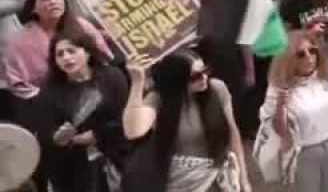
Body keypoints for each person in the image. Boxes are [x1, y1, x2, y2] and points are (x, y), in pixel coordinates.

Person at [122, 50, 251, 192]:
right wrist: (137, 83)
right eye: (195, 76)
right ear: (177, 79)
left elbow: (232, 132)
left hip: (217, 178)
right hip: (179, 182)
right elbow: (132, 131)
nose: (204, 78)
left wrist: (243, 179)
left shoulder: (217, 89)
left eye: (205, 71)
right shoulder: (160, 99)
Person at [259, 31, 328, 192]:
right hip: (304, 151)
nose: (309, 57)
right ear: (289, 59)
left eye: (312, 51)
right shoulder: (280, 86)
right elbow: (279, 130)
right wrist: (281, 103)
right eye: (301, 54)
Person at [35, 31, 130, 192]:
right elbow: (44, 131)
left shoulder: (112, 77)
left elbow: (125, 117)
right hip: (73, 167)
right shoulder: (49, 91)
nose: (66, 58)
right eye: (60, 54)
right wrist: (57, 138)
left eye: (71, 51)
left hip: (114, 156)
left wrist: (98, 135)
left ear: (87, 53)